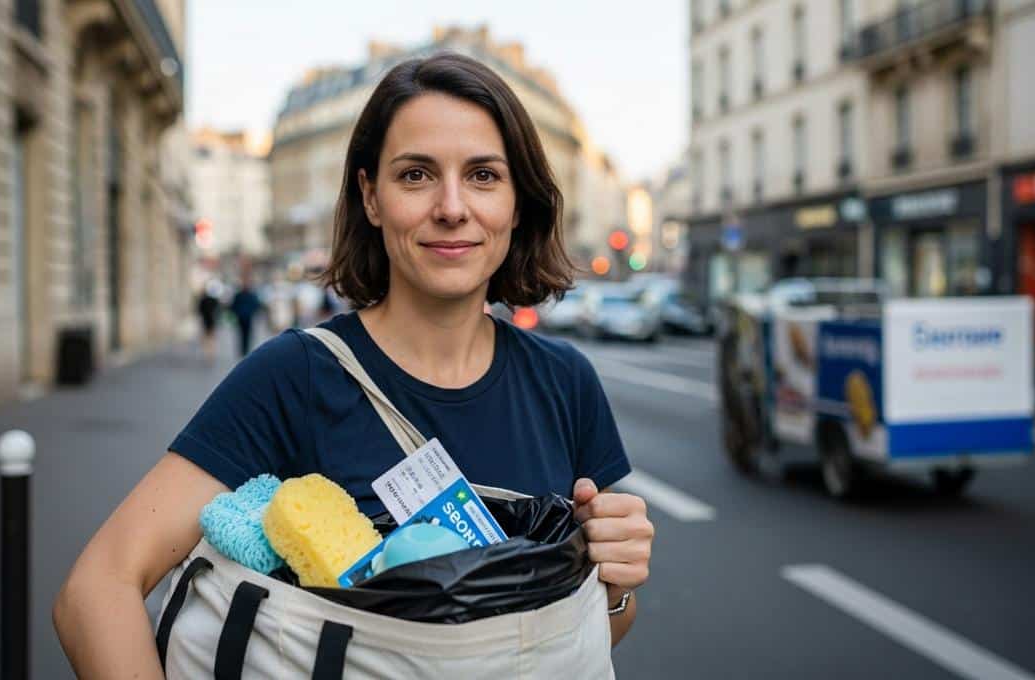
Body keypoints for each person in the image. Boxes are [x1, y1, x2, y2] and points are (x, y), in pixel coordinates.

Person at [52, 53, 654, 677]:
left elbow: (589, 634)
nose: (451, 207)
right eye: (416, 175)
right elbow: (98, 588)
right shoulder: (296, 375)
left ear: (518, 202)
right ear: (371, 197)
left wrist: (618, 585)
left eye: (482, 175)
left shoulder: (565, 381)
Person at [228, 273, 262, 358]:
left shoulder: (246, 294)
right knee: (244, 334)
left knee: (244, 334)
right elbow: (256, 305)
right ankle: (244, 349)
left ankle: (244, 349)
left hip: (245, 317)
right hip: (244, 317)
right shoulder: (243, 295)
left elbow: (233, 305)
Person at [195, 280, 221, 362]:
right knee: (211, 337)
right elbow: (218, 311)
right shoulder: (214, 300)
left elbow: (199, 310)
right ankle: (211, 353)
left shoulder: (203, 300)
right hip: (212, 320)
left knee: (207, 337)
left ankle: (208, 352)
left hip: (206, 320)